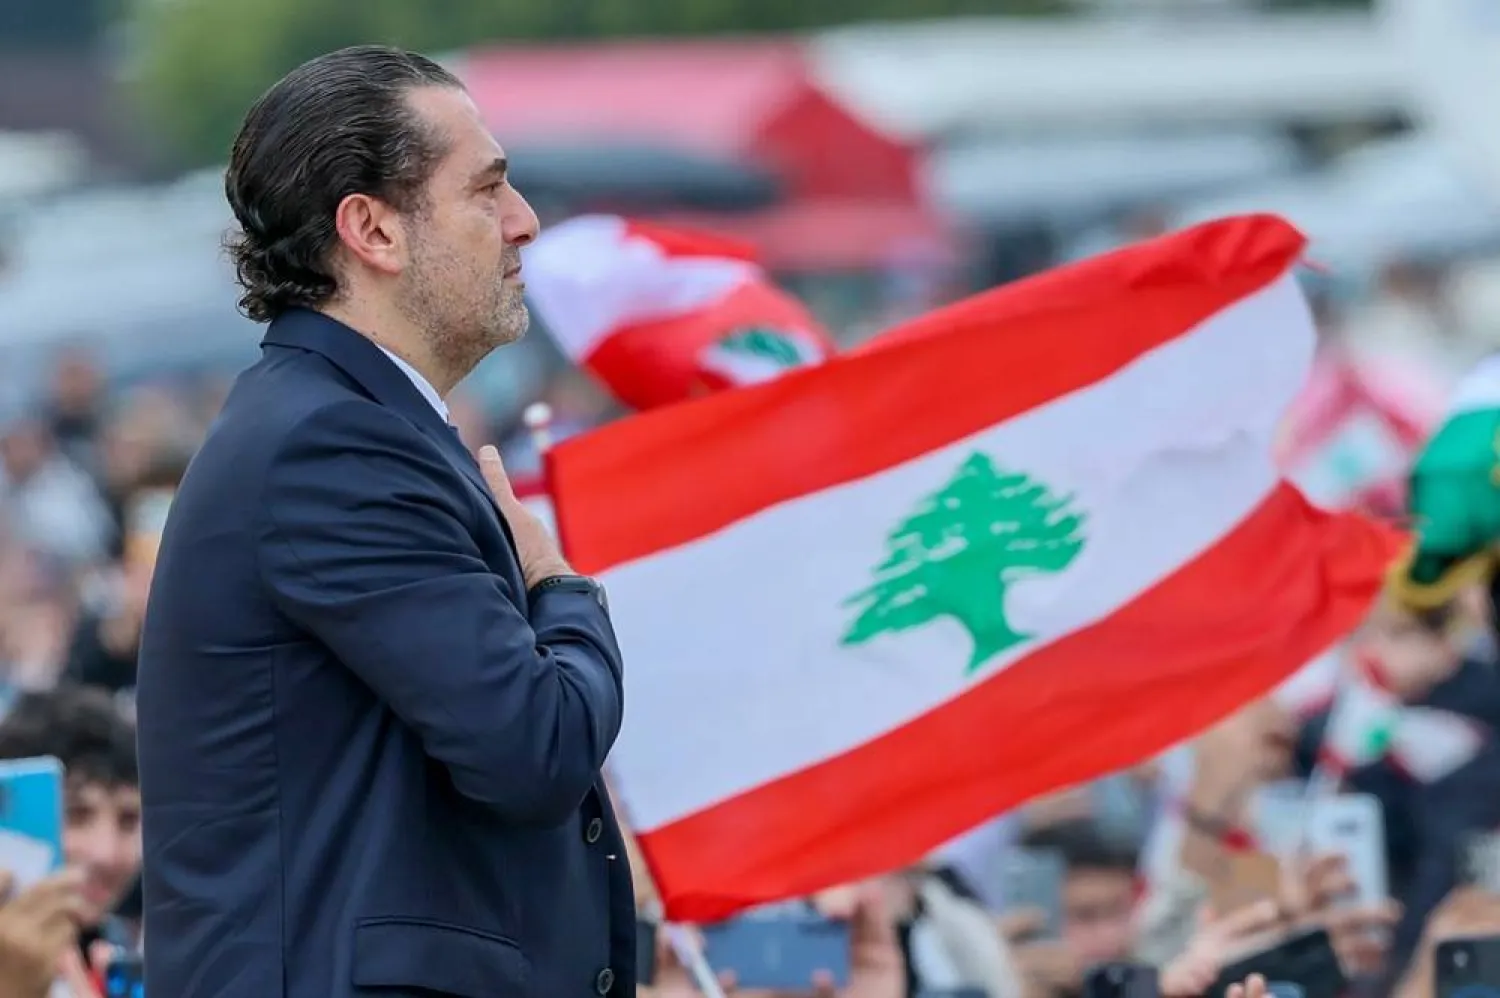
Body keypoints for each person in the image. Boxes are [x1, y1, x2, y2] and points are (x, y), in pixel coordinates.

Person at [136, 45, 630, 998]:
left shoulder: (336, 423)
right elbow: (537, 747)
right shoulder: (333, 445)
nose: (525, 223)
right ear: (372, 230)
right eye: (487, 190)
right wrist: (561, 589)